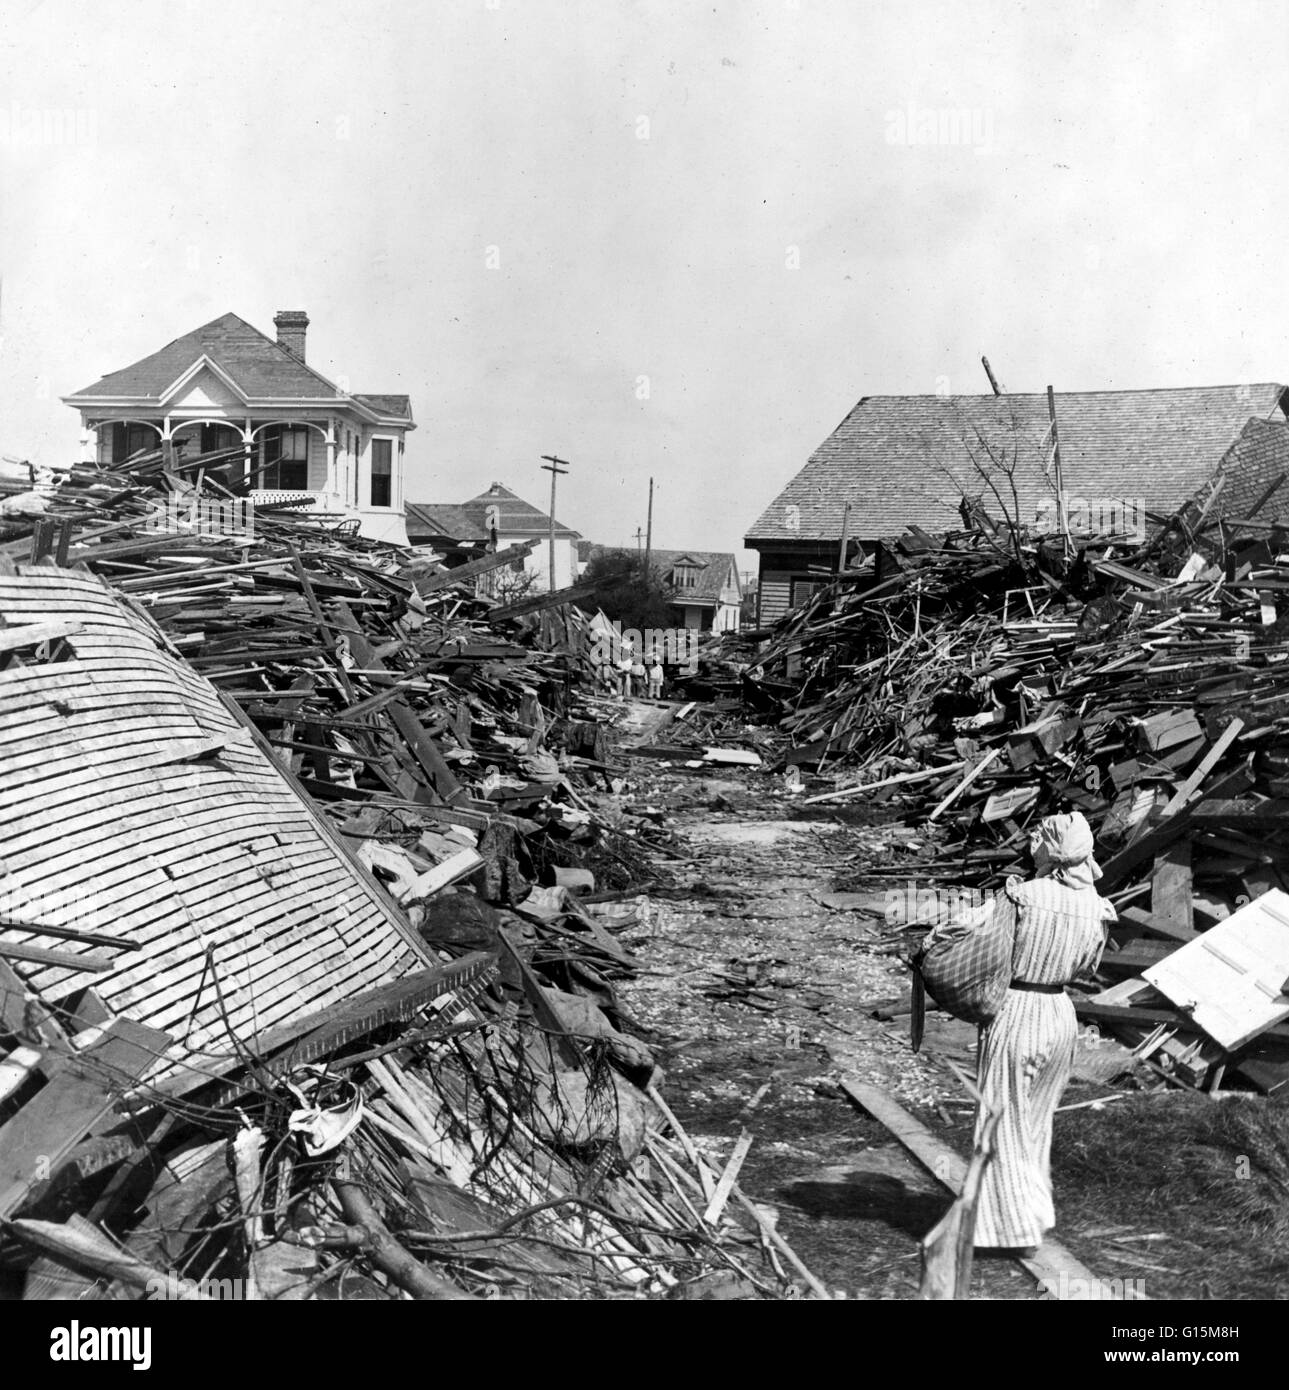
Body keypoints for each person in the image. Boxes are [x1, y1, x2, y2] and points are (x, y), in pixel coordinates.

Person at [971, 811, 1115, 1255]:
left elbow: (984, 946)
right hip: (1060, 1013)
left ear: (1048, 847)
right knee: (1036, 1122)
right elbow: (1089, 966)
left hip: (1019, 1008)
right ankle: (1032, 1214)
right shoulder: (1097, 906)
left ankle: (1005, 1231)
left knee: (1000, 1118)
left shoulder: (1022, 896)